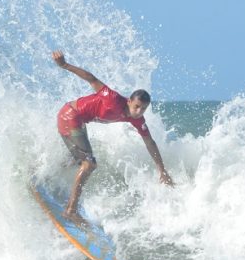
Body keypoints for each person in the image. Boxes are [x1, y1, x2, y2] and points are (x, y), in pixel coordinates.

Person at [52, 50, 174, 223]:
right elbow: (91, 79)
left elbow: (150, 142)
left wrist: (162, 170)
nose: (138, 112)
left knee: (78, 160)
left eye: (143, 109)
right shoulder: (113, 99)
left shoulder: (137, 120)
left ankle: (46, 173)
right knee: (89, 163)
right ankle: (71, 210)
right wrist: (64, 65)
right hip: (70, 115)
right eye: (137, 106)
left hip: (78, 121)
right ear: (130, 101)